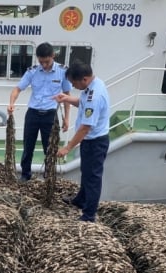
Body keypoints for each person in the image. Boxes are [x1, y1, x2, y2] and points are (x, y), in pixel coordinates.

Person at [7, 42, 71, 182]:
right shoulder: (32, 71)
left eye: (47, 61)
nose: (44, 65)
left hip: (50, 115)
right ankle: (25, 174)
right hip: (33, 114)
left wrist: (67, 118)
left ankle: (48, 176)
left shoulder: (63, 71)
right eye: (41, 62)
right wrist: (11, 103)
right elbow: (17, 89)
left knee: (49, 147)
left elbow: (67, 95)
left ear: (53, 56)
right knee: (28, 146)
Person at [55, 61, 110, 222]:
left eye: (73, 83)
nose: (73, 86)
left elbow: (86, 127)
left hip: (95, 142)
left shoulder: (95, 96)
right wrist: (67, 98)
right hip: (90, 141)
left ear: (84, 79)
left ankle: (89, 214)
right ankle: (80, 200)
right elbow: (82, 102)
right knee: (86, 173)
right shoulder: (94, 84)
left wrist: (68, 148)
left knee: (93, 177)